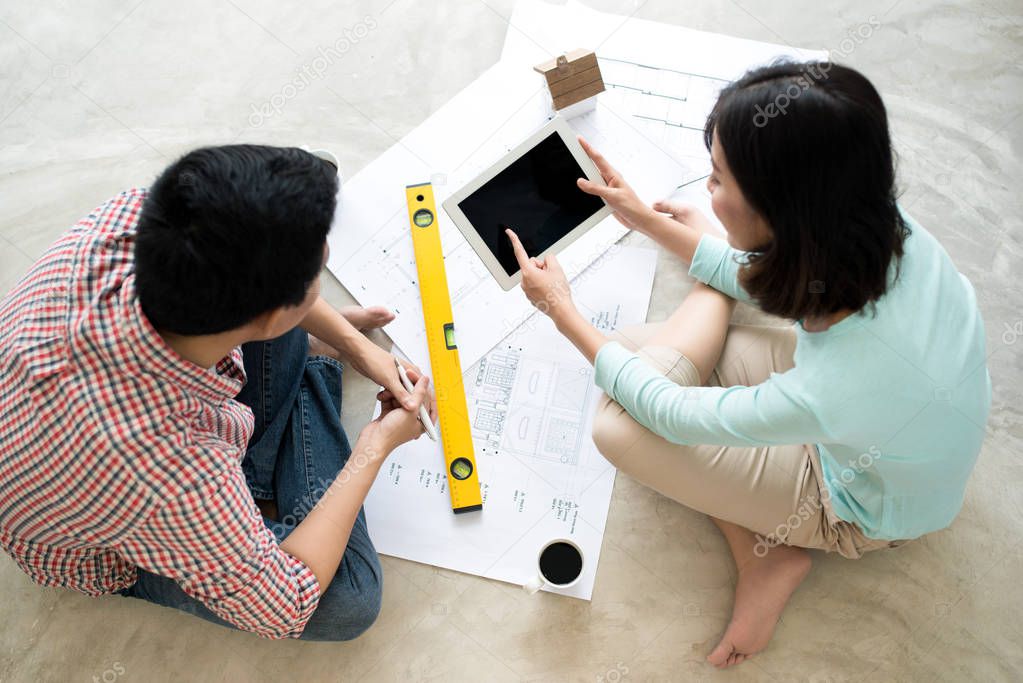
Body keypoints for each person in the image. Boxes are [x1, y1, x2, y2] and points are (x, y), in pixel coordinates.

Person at [505, 61, 990, 668]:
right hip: (892, 423)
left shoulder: (834, 388)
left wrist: (562, 310)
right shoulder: (884, 227)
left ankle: (770, 556)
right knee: (629, 352)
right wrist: (650, 222)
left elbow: (672, 415)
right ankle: (761, 550)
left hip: (860, 504)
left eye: (717, 177)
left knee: (619, 422)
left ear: (781, 211)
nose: (707, 191)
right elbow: (793, 282)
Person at [0, 145, 436, 640]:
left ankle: (302, 367)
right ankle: (307, 376)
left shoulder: (136, 218)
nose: (320, 289)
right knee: (350, 599)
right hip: (111, 533)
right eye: (312, 284)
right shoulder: (173, 477)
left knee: (265, 251)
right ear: (273, 316)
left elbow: (265, 284)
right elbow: (285, 606)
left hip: (88, 433)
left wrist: (356, 346)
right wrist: (373, 447)